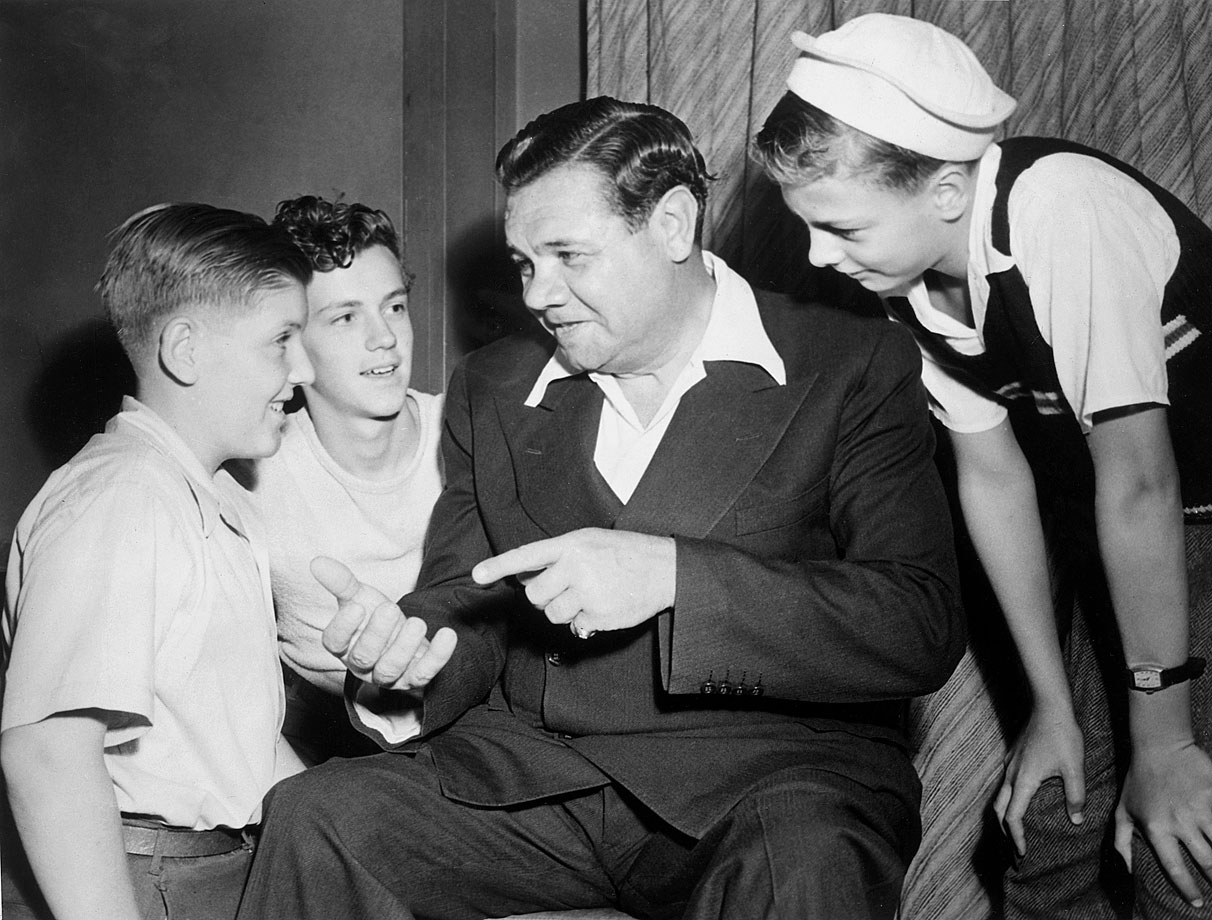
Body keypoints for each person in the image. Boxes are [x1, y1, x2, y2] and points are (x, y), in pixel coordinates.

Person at [235, 96, 963, 920]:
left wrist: (676, 578)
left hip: (769, 778)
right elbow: (467, 594)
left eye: (568, 256)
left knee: (805, 864)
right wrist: (411, 656)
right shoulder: (494, 385)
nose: (539, 295)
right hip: (535, 774)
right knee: (319, 816)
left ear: (673, 225)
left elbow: (919, 620)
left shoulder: (851, 363)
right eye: (524, 264)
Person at [752, 13, 1212, 918]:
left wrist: (1162, 742)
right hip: (1134, 534)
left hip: (1177, 513)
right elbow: (996, 482)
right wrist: (1052, 707)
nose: (817, 256)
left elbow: (1140, 484)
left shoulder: (1060, 210)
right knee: (1051, 823)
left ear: (947, 189)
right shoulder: (906, 278)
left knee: (1177, 842)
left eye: (841, 226)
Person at [1, 203, 314, 920]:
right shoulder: (121, 498)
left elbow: (242, 748)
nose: (303, 369)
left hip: (218, 867)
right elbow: (47, 752)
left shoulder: (212, 498)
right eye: (281, 340)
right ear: (185, 350)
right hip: (145, 881)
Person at [224, 195, 444, 765]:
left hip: (486, 730)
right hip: (330, 751)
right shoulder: (249, 476)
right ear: (292, 341)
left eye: (394, 307)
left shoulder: (472, 433)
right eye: (346, 317)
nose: (384, 337)